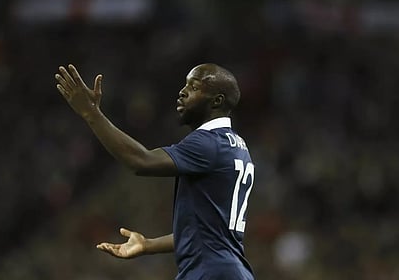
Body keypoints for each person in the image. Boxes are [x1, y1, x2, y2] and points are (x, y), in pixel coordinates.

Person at [55, 63, 255, 280]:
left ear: (217, 100)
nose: (182, 91)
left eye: (194, 87)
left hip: (210, 272)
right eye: (185, 84)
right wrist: (148, 245)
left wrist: (90, 113)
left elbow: (140, 161)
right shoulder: (237, 146)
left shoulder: (208, 143)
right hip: (228, 271)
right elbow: (207, 232)